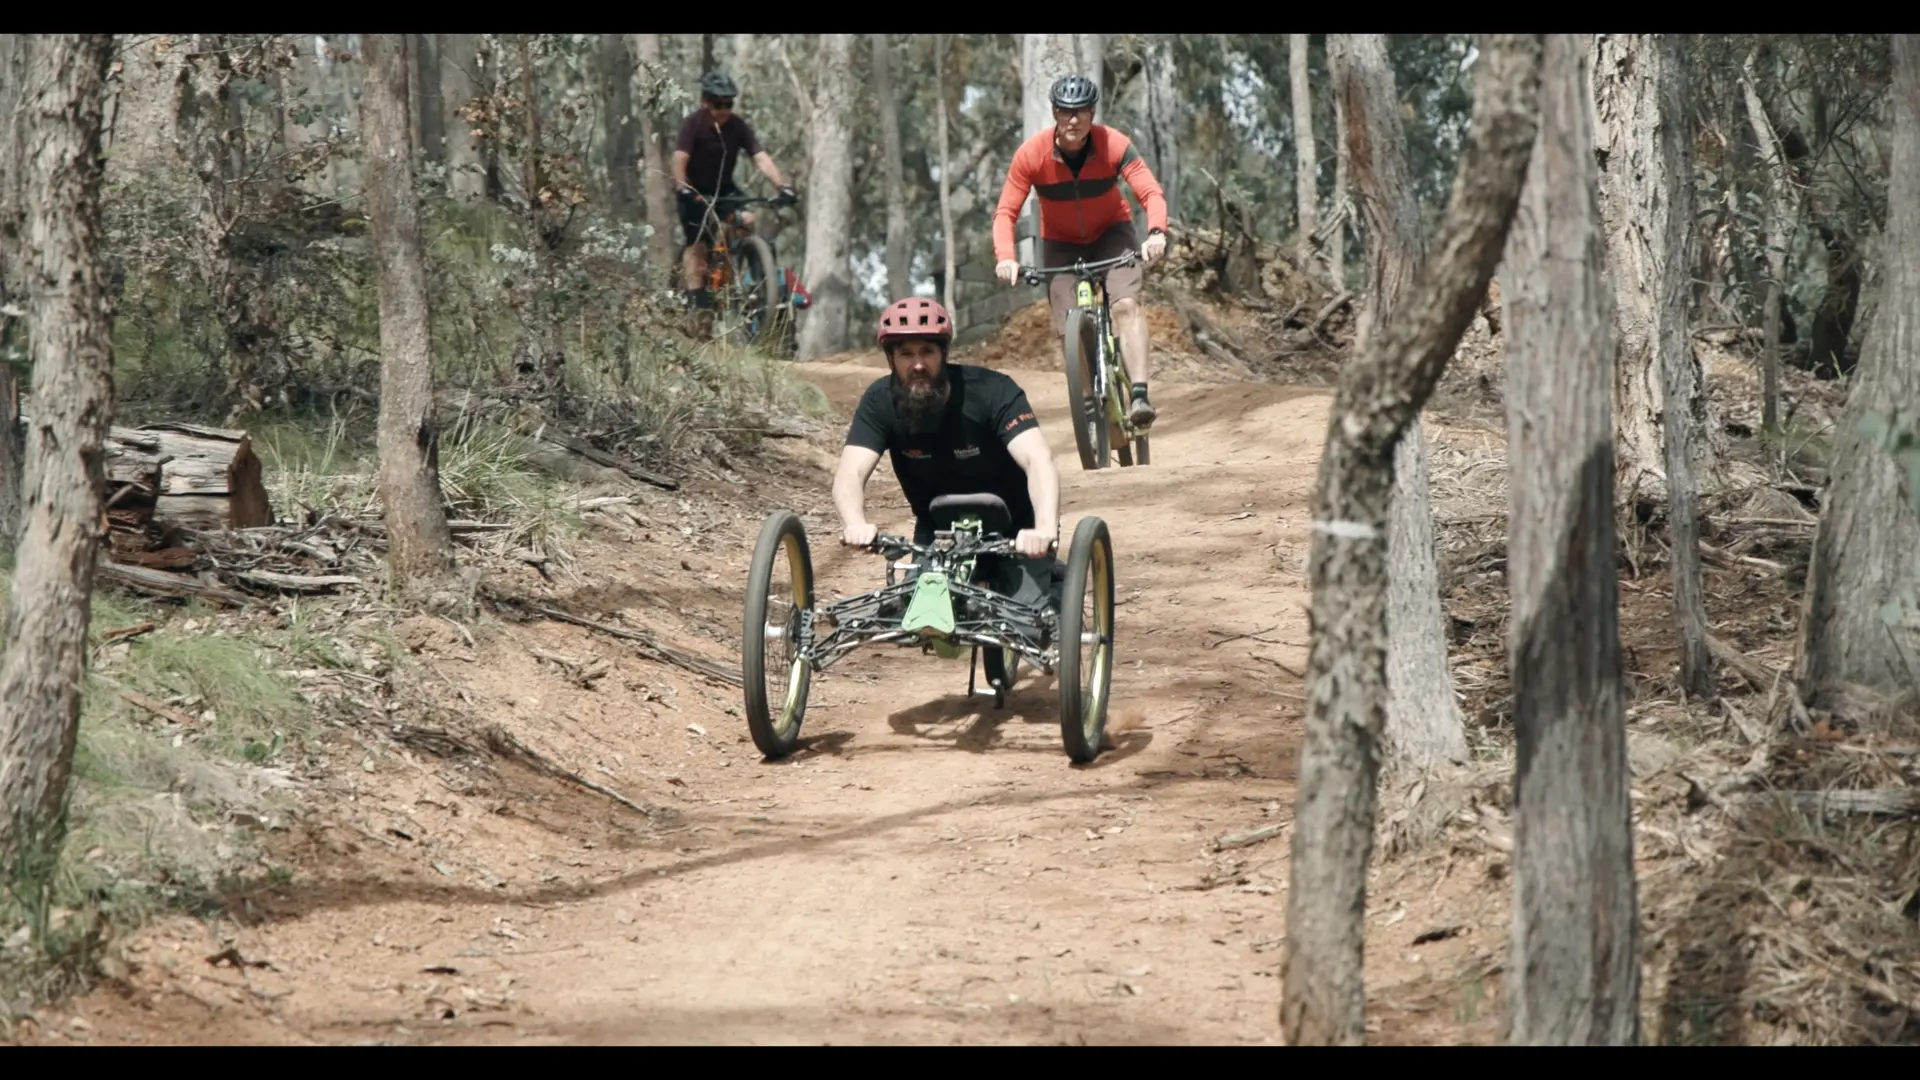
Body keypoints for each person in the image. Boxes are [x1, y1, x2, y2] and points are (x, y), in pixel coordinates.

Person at [834, 297, 1063, 631]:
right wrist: (854, 523)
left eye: (927, 352)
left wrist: (1043, 530)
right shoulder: (879, 401)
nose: (917, 365)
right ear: (891, 359)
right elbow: (849, 472)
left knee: (1024, 628)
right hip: (938, 531)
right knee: (922, 617)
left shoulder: (993, 391)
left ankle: (1055, 581)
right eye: (906, 354)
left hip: (1015, 528)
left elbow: (1037, 458)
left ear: (944, 354)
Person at [992, 73, 1170, 431]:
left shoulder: (1115, 145)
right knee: (1066, 324)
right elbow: (1005, 213)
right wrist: (1006, 257)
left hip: (1111, 234)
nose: (1073, 120)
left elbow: (1149, 192)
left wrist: (1155, 233)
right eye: (1065, 112)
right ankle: (1087, 400)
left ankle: (1139, 395)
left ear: (1092, 113)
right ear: (1054, 113)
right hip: (1060, 243)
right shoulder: (1031, 155)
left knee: (1125, 305)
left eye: (1081, 112)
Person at [671, 71, 798, 330]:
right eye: (719, 104)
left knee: (748, 219)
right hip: (694, 192)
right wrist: (683, 187)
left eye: (729, 103)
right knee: (697, 248)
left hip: (725, 190)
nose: (725, 110)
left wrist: (782, 185)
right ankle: (699, 307)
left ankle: (743, 268)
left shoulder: (737, 126)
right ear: (704, 101)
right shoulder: (692, 125)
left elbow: (760, 157)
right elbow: (679, 160)